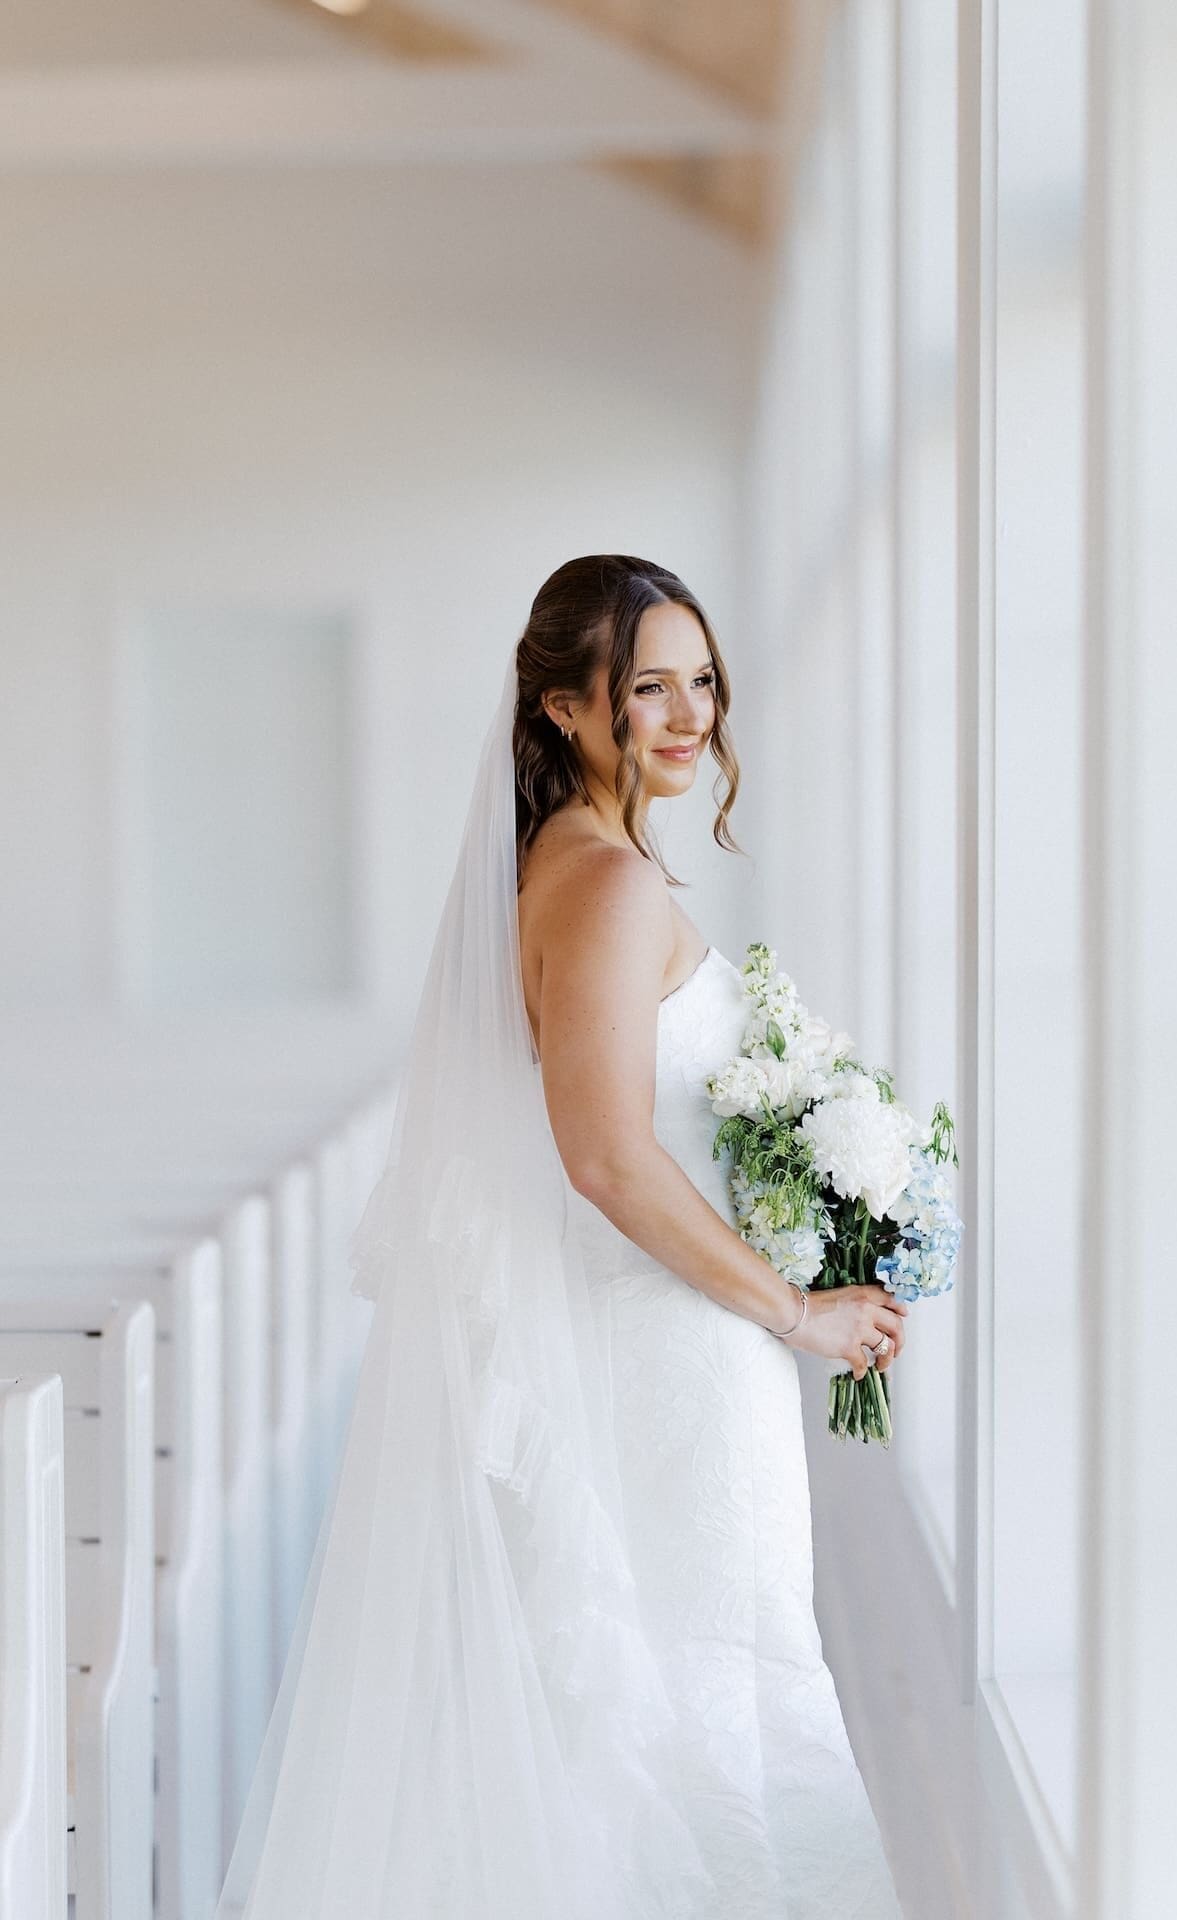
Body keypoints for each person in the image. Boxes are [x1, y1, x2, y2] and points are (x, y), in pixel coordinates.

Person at [216, 554, 906, 1919]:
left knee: (695, 1704)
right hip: (675, 1362)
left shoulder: (574, 866)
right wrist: (798, 1308)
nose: (689, 716)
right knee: (712, 1705)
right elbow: (603, 1157)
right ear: (562, 711)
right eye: (647, 687)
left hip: (666, 1344)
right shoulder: (604, 885)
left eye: (702, 682)